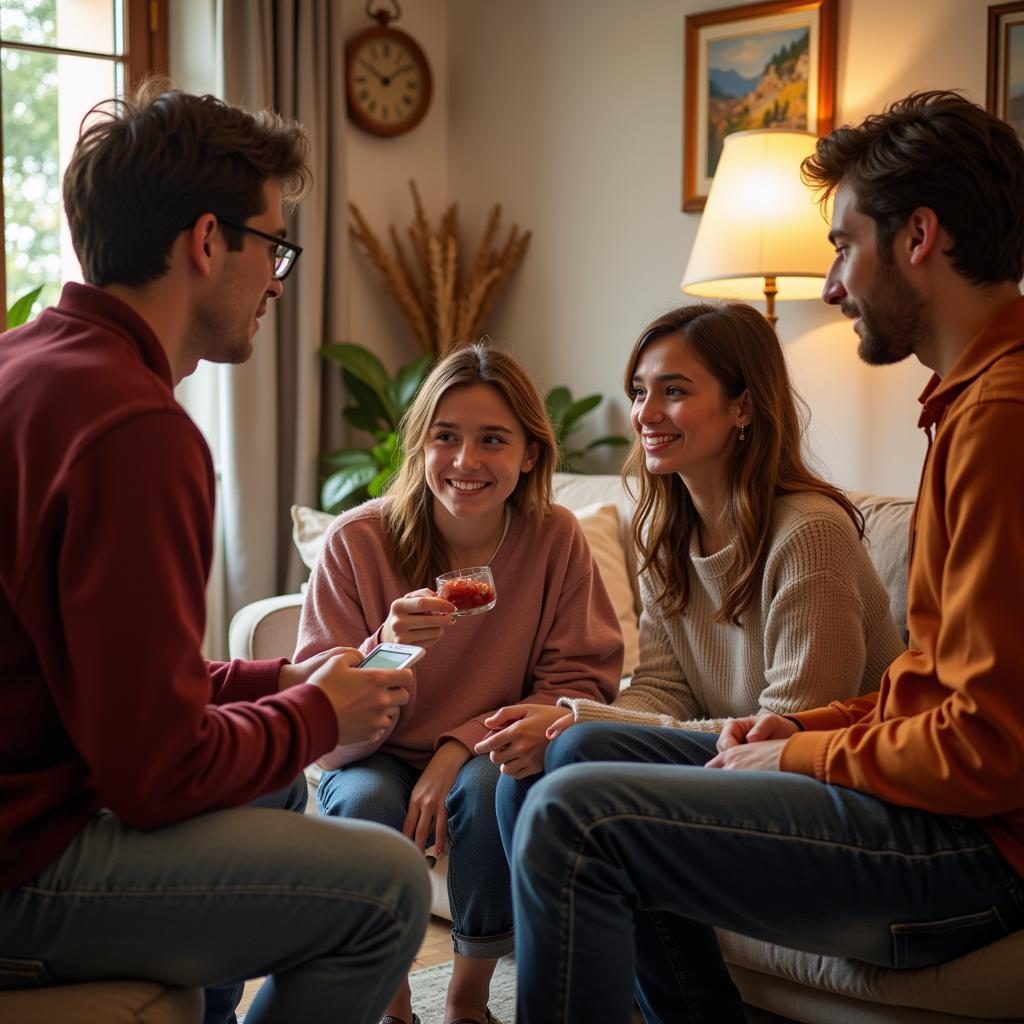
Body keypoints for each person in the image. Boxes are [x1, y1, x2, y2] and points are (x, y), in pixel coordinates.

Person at [509, 90, 1024, 1024]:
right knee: (572, 757)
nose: (832, 284)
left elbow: (985, 750)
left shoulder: (999, 423)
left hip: (978, 854)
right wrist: (806, 730)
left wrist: (809, 753)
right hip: (945, 817)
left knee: (573, 816)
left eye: (841, 244)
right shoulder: (969, 408)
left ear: (919, 237)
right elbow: (937, 685)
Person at [0, 81, 430, 1024]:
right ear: (206, 242)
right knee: (388, 886)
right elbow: (155, 777)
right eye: (274, 246)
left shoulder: (26, 364)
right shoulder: (133, 428)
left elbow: (101, 678)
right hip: (18, 869)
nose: (278, 279)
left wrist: (277, 682)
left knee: (276, 783)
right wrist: (318, 715)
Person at [487, 302, 904, 852]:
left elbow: (785, 728)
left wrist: (584, 724)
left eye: (675, 392)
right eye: (640, 392)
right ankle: (517, 942)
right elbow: (664, 689)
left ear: (744, 408)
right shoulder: (665, 534)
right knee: (540, 756)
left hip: (826, 785)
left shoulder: (810, 533)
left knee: (572, 748)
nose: (645, 413)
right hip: (729, 755)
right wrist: (569, 722)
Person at [295, 342, 623, 1024]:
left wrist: (455, 748)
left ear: (529, 455)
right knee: (359, 804)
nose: (467, 462)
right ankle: (391, 1002)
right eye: (446, 437)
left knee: (488, 785)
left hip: (486, 747)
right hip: (372, 748)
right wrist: (387, 647)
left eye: (493, 441)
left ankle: (467, 998)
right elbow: (317, 705)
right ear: (419, 444)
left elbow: (579, 676)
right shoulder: (357, 543)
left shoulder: (554, 538)